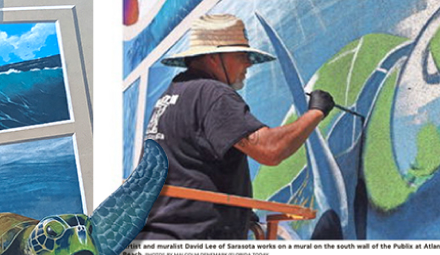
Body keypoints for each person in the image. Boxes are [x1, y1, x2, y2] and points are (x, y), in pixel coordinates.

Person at [139, 13, 337, 240]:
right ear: (215, 57)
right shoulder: (213, 94)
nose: (248, 63)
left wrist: (237, 211)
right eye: (242, 55)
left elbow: (183, 171)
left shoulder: (173, 94)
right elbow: (270, 150)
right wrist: (316, 112)